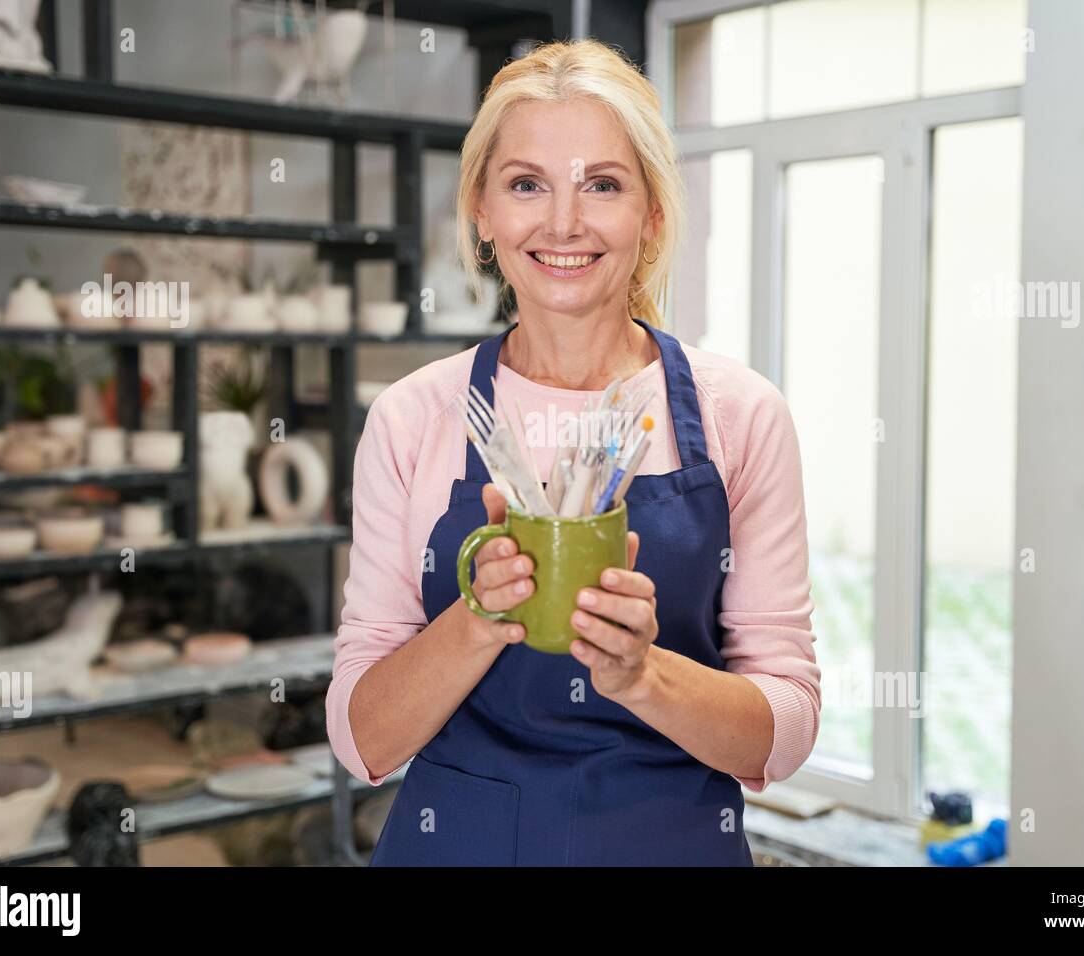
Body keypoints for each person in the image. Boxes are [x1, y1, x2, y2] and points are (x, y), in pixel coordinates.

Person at [326, 38, 820, 866]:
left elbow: (785, 732)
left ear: (652, 213)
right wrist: (481, 619)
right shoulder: (414, 418)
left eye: (603, 185)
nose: (563, 222)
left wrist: (639, 674)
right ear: (483, 210)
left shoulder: (743, 415)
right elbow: (361, 741)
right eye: (526, 184)